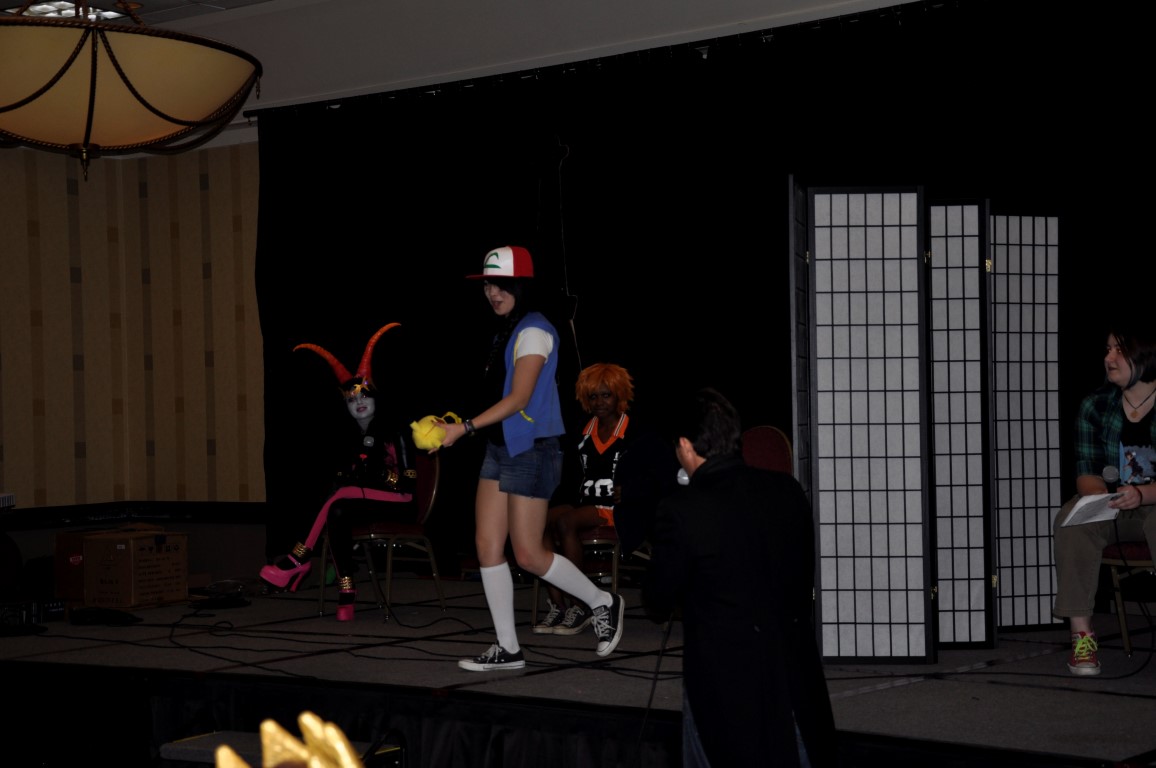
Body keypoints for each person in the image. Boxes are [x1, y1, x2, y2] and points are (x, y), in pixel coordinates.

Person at [435, 245, 625, 671]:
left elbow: (520, 398)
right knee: (487, 545)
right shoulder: (509, 330)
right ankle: (508, 648)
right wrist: (455, 426)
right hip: (501, 446)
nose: (492, 292)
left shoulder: (535, 331)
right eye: (488, 284)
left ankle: (603, 601)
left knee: (528, 554)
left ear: (522, 286)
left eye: (501, 285)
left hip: (533, 450)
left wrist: (463, 428)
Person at [643, 388, 838, 767]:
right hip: (795, 675)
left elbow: (657, 599)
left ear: (686, 446)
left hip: (727, 685)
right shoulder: (788, 490)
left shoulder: (682, 509)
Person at [259, 324, 417, 622]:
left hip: (401, 501)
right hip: (362, 501)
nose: (359, 403)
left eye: (364, 396)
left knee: (340, 492)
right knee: (337, 509)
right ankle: (346, 589)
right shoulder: (348, 438)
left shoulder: (395, 431)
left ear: (375, 398)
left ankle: (298, 557)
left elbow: (408, 486)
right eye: (351, 400)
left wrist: (380, 474)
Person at [1053, 321, 1156, 675]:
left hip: (1152, 504)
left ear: (1145, 355)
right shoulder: (1095, 405)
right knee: (1072, 520)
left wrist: (1142, 494)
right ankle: (1082, 638)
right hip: (1115, 506)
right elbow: (1086, 472)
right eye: (1107, 349)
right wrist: (1102, 499)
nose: (1109, 357)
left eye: (1119, 350)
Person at [534, 363, 635, 636]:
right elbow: (568, 477)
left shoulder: (634, 432)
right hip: (585, 504)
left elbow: (655, 474)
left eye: (606, 395)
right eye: (593, 396)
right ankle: (559, 605)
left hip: (615, 509)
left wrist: (632, 489)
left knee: (566, 522)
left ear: (619, 395)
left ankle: (582, 604)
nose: (599, 402)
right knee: (536, 523)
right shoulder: (582, 431)